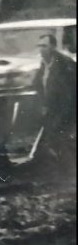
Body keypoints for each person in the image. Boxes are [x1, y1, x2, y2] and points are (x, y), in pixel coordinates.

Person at [29, 33, 77, 176]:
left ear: (53, 47)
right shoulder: (44, 64)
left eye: (45, 46)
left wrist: (62, 117)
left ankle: (70, 175)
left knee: (60, 139)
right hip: (51, 110)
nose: (41, 49)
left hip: (66, 110)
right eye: (40, 46)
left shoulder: (64, 64)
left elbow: (68, 95)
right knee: (53, 140)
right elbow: (40, 86)